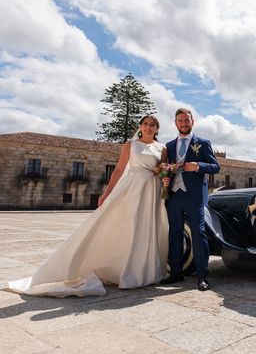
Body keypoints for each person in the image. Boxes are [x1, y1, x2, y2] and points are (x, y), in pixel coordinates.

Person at [5, 116, 168, 297]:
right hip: (133, 187)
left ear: (156, 129)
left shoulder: (162, 148)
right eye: (145, 124)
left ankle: (143, 272)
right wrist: (106, 193)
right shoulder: (130, 144)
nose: (148, 127)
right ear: (140, 126)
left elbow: (161, 169)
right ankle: (125, 272)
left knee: (147, 228)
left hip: (152, 190)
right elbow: (120, 169)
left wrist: (165, 177)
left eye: (152, 125)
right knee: (129, 225)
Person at [161, 108, 219, 291]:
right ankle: (176, 273)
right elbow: (164, 168)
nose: (184, 123)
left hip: (194, 197)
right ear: (175, 123)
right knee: (175, 234)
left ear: (192, 122)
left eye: (187, 120)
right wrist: (165, 177)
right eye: (180, 120)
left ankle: (202, 276)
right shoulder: (169, 146)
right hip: (174, 196)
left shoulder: (203, 143)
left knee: (199, 234)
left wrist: (198, 166)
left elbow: (215, 167)